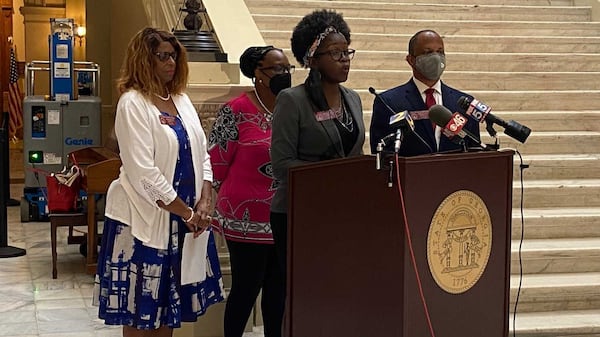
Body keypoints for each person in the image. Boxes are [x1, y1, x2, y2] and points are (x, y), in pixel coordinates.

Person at [93, 27, 224, 337]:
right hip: (142, 223)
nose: (170, 63)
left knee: (168, 310)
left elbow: (202, 154)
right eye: (162, 56)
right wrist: (188, 212)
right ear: (143, 59)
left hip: (181, 222)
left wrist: (205, 201)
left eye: (174, 56)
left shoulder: (180, 99)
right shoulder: (132, 103)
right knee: (140, 311)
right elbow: (143, 173)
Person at [269, 8, 366, 328]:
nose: (345, 59)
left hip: (343, 213)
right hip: (299, 214)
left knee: (341, 291)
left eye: (347, 51)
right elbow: (281, 165)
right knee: (305, 294)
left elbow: (354, 154)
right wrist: (333, 178)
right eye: (335, 53)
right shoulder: (291, 100)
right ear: (312, 57)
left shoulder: (353, 99)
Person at [207, 46, 292, 337]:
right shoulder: (235, 111)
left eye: (288, 69)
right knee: (246, 288)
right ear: (258, 73)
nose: (285, 75)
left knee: (278, 291)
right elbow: (216, 161)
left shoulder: (293, 108)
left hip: (285, 216)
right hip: (244, 218)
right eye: (277, 69)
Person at [369, 29, 480, 156]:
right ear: (411, 60)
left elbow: (474, 152)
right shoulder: (388, 102)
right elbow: (381, 153)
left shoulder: (464, 103)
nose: (436, 58)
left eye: (440, 52)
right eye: (428, 53)